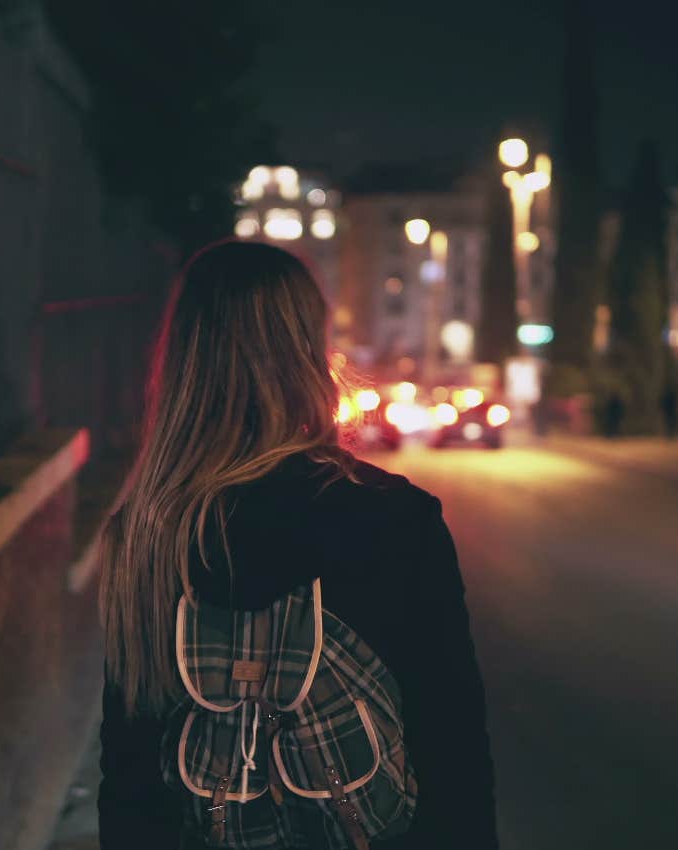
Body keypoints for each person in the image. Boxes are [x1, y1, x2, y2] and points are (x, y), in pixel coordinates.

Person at [98, 240, 498, 849]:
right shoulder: (393, 518)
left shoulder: (148, 533)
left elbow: (130, 769)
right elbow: (451, 739)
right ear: (308, 349)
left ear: (182, 360)